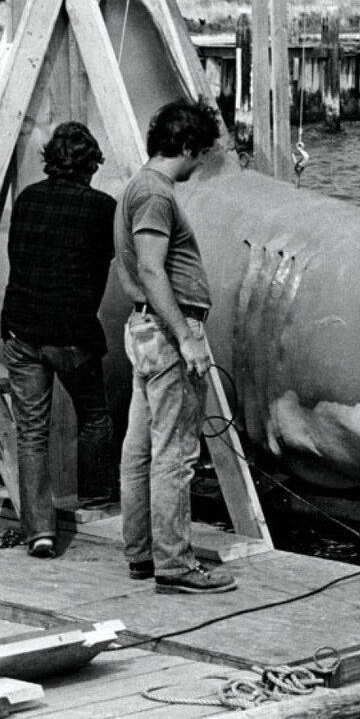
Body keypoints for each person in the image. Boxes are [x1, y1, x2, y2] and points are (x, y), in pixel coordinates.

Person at [115, 97, 235, 594]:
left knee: (140, 448)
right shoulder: (156, 195)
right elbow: (148, 267)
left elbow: (132, 274)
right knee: (175, 454)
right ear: (185, 147)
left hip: (144, 328)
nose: (200, 164)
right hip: (167, 333)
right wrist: (186, 337)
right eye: (200, 154)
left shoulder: (134, 189)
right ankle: (174, 564)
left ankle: (143, 554)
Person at [0, 122, 118, 558]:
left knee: (31, 433)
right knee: (95, 418)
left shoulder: (27, 198)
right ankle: (95, 500)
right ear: (91, 166)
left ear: (51, 161)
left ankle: (40, 532)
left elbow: (17, 258)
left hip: (22, 329)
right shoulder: (103, 207)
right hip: (72, 334)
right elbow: (105, 262)